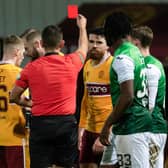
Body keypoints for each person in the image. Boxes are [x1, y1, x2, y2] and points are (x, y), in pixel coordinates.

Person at [10, 14, 88, 168]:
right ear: (62, 44)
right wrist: (82, 28)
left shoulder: (30, 68)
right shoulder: (72, 62)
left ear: (42, 44)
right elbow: (83, 47)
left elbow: (13, 97)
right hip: (66, 124)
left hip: (41, 125)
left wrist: (31, 104)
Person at [99, 12, 153, 168]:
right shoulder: (135, 51)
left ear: (111, 33)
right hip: (132, 124)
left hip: (132, 125)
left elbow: (127, 96)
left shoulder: (122, 57)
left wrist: (107, 124)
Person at [130, 25, 167, 168]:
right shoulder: (140, 63)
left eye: (130, 42)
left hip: (153, 128)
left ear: (136, 43)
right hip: (146, 128)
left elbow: (150, 106)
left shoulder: (151, 67)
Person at [78, 27, 113, 168]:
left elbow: (120, 103)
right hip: (89, 129)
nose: (94, 46)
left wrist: (107, 133)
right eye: (91, 41)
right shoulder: (87, 65)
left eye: (99, 42)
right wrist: (81, 129)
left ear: (108, 44)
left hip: (108, 130)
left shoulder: (113, 65)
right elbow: (85, 99)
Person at [0, 35, 28, 168]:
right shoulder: (20, 74)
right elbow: (26, 105)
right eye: (23, 53)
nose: (23, 57)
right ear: (17, 52)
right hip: (14, 138)